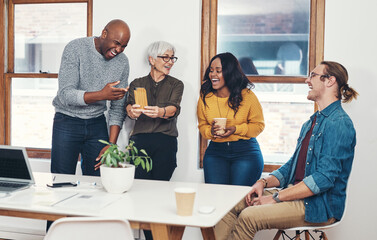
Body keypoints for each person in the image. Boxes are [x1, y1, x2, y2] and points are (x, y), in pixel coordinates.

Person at [216, 61, 358, 240]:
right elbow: (292, 166)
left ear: (330, 81)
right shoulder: (312, 122)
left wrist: (275, 198)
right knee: (228, 205)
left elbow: (323, 179)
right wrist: (263, 182)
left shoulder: (339, 124)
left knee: (248, 216)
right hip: (295, 195)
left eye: (313, 75)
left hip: (317, 206)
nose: (307, 80)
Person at [51, 19, 131, 177]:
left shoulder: (122, 62)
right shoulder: (75, 48)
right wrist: (102, 95)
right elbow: (66, 94)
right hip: (67, 121)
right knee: (61, 179)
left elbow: (117, 108)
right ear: (104, 34)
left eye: (123, 46)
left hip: (96, 124)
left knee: (98, 180)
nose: (119, 49)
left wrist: (111, 144)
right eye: (116, 43)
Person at [125, 40, 183, 240]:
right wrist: (131, 111)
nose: (170, 62)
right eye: (165, 57)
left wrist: (160, 112)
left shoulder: (176, 84)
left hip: (165, 143)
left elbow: (174, 108)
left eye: (172, 58)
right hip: (139, 143)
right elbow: (129, 107)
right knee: (140, 194)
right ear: (152, 59)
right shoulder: (137, 83)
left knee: (159, 195)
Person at [197, 52, 265, 186]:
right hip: (216, 151)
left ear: (229, 72)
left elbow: (258, 125)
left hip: (245, 152)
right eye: (211, 71)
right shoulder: (206, 97)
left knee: (238, 200)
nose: (213, 75)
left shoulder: (247, 96)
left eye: (218, 71)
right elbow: (202, 125)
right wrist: (210, 132)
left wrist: (236, 129)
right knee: (216, 198)